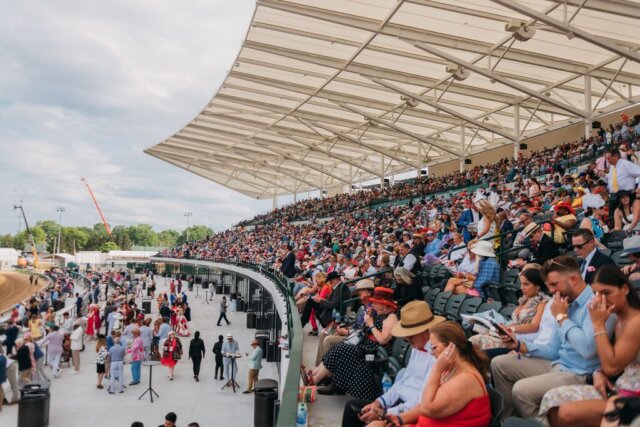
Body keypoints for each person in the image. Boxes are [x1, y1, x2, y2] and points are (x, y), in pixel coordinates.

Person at [491, 256, 617, 418]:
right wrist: (518, 345)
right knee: (499, 364)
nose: (550, 290)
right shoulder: (566, 303)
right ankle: (510, 420)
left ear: (573, 279)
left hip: (580, 373)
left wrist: (562, 318)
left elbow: (588, 350)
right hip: (558, 363)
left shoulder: (595, 303)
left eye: (554, 284)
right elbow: (552, 349)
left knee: (521, 391)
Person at [539, 265, 640, 426]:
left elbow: (612, 367)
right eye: (596, 294)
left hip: (632, 395)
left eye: (606, 293)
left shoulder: (635, 321)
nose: (601, 300)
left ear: (625, 289)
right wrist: (597, 371)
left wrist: (598, 325)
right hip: (618, 387)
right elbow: (613, 358)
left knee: (566, 413)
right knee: (551, 399)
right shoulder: (618, 317)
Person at [341, 300, 444, 427]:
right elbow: (402, 381)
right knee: (351, 408)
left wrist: (385, 412)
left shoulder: (437, 356)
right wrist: (379, 402)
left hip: (410, 411)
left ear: (427, 330)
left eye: (411, 335)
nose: (407, 339)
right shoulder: (417, 347)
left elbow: (420, 401)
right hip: (398, 403)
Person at [309, 287, 399, 400]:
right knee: (339, 347)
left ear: (385, 305)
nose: (374, 306)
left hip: (375, 352)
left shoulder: (392, 318)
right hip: (367, 346)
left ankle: (313, 381)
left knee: (342, 349)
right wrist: (369, 320)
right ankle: (314, 376)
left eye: (376, 303)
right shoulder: (381, 314)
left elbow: (383, 340)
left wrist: (371, 324)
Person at [412, 321, 491, 427]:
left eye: (434, 347)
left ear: (450, 347)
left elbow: (426, 408)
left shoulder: (465, 380)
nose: (431, 352)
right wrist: (400, 418)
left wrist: (436, 369)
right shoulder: (452, 370)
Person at [470, 268, 549, 352]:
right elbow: (517, 322)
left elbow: (534, 326)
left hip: (522, 342)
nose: (522, 288)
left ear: (538, 286)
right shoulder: (525, 299)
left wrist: (510, 328)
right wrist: (504, 328)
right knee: (474, 340)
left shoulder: (543, 302)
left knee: (476, 342)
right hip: (510, 336)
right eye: (521, 284)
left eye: (526, 284)